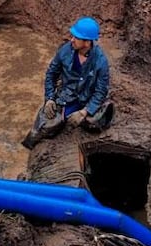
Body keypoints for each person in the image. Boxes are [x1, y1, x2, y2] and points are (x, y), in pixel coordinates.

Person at [21, 16, 115, 149]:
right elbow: (51, 74)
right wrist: (49, 98)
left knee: (96, 121)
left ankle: (87, 117)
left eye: (76, 37)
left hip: (86, 99)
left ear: (87, 42)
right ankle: (29, 146)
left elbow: (100, 91)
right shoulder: (65, 50)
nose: (72, 40)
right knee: (43, 126)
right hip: (67, 96)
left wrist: (85, 111)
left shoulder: (100, 62)